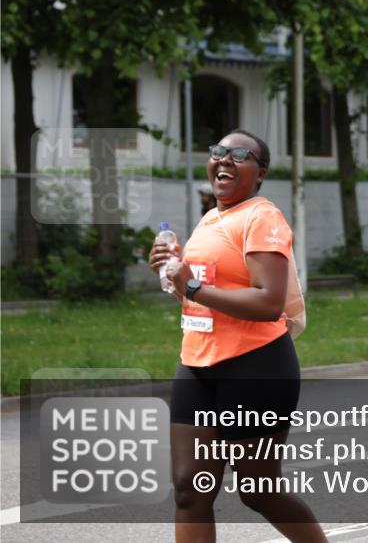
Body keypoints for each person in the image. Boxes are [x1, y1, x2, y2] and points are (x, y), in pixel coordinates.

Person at [148, 129, 325, 543]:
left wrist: (192, 286)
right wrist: (172, 273)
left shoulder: (261, 216)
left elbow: (268, 302)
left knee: (258, 491)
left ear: (260, 173)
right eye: (217, 153)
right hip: (197, 363)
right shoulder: (211, 218)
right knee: (189, 490)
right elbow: (204, 298)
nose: (224, 160)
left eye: (239, 156)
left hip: (255, 364)